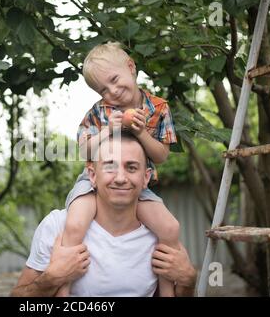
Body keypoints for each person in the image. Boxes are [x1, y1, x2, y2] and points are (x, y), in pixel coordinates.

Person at [59, 41, 180, 296]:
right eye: (103, 89)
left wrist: (141, 133)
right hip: (94, 183)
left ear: (131, 67)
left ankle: (167, 292)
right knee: (74, 224)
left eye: (114, 79)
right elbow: (85, 151)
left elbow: (161, 156)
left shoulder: (158, 108)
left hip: (136, 185)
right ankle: (63, 291)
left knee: (170, 228)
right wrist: (107, 131)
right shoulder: (99, 112)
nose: (112, 91)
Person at [11, 131, 196, 297]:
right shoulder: (58, 226)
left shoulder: (159, 236)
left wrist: (188, 282)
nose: (121, 178)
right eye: (110, 167)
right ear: (92, 175)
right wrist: (52, 278)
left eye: (131, 168)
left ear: (146, 177)